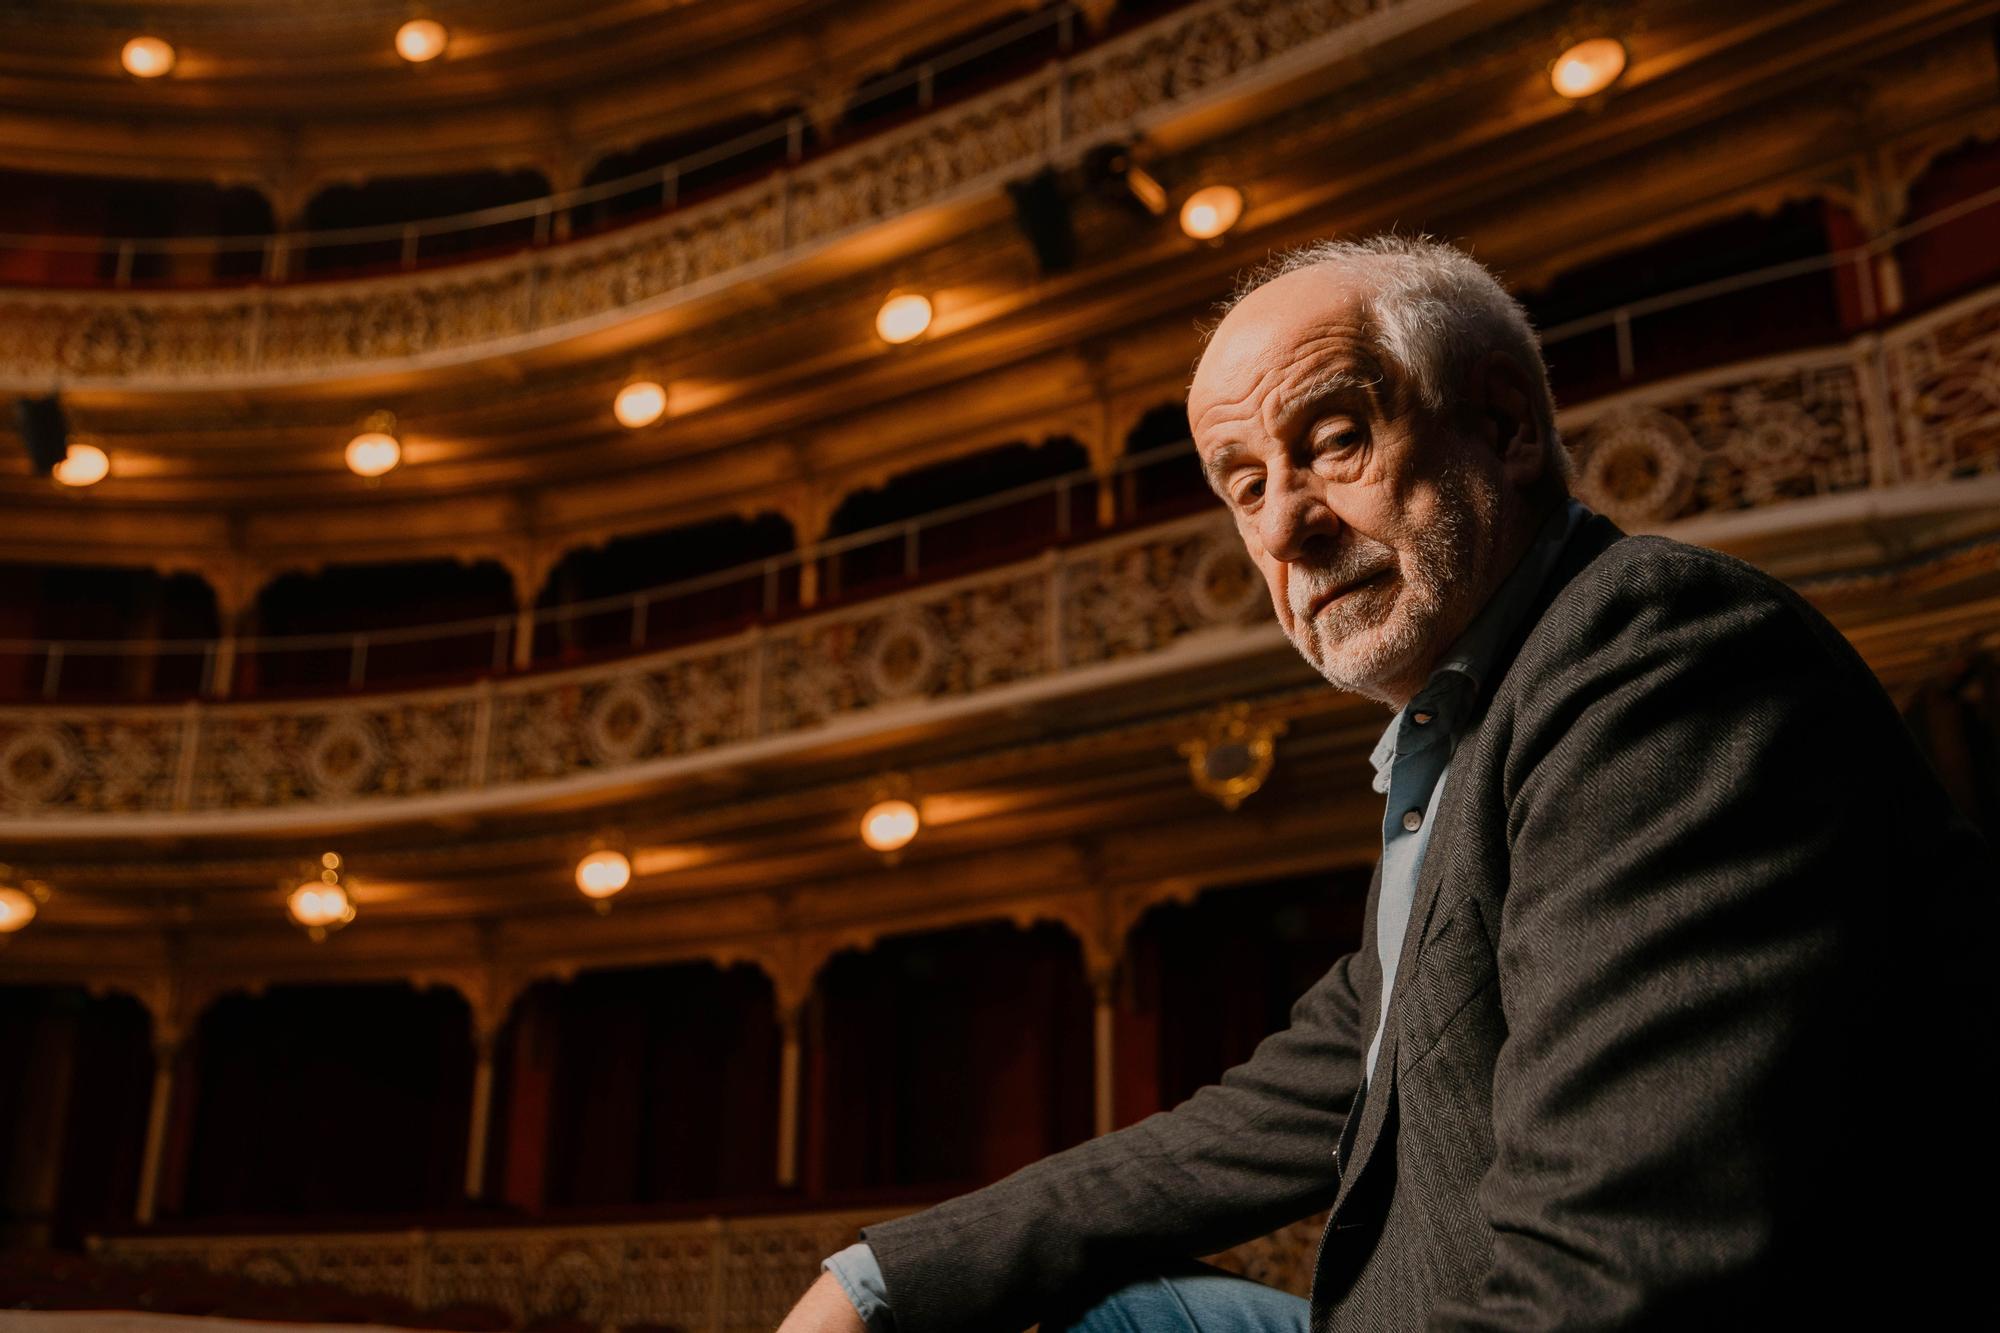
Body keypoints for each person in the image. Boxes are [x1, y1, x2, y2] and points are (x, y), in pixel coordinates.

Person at [777, 235, 1997, 1331]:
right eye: (1243, 483)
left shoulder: (1652, 654)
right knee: (1101, 1311)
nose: (1282, 529)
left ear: (1506, 427)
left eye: (1333, 441)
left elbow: (1614, 1276)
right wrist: (880, 1276)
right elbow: (1293, 1094)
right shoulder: (1473, 725)